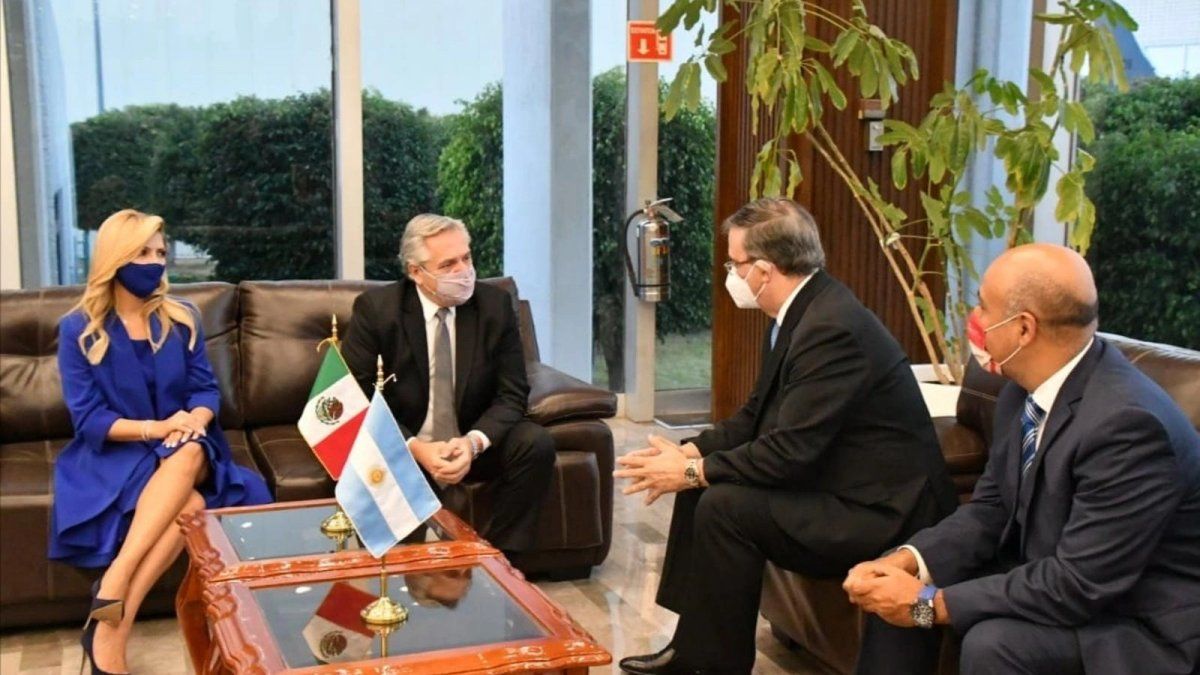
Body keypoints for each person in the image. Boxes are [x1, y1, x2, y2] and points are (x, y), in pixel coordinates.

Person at [615, 198, 957, 674]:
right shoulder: (799, 314)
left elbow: (791, 452)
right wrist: (690, 451)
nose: (730, 275)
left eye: (734, 265)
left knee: (720, 501)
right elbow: (757, 414)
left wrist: (694, 470)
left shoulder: (830, 328)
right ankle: (693, 649)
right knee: (700, 489)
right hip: (836, 482)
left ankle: (715, 666)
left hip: (879, 511)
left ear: (764, 269)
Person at [845, 243, 1200, 675]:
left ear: (1024, 329)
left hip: (1132, 620)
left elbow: (1080, 584)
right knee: (896, 592)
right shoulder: (1024, 388)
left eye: (982, 306)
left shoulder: (1127, 427)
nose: (974, 319)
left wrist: (929, 606)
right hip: (1054, 575)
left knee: (993, 643)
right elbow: (992, 509)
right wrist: (908, 561)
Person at [51, 209, 272, 675]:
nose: (155, 263)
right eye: (143, 253)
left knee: (190, 450)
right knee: (189, 506)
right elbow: (89, 419)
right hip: (120, 451)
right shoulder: (78, 330)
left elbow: (206, 389)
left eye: (160, 253)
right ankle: (115, 625)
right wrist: (157, 428)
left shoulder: (182, 317)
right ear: (116, 259)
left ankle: (114, 585)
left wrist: (193, 416)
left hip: (188, 443)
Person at [341, 214, 554, 563]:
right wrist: (414, 448)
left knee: (536, 443)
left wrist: (473, 443)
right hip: (405, 444)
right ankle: (396, 564)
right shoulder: (378, 310)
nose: (464, 271)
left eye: (466, 258)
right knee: (364, 450)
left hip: (469, 441)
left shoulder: (494, 306)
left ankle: (497, 561)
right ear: (416, 272)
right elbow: (356, 396)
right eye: (449, 263)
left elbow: (512, 393)